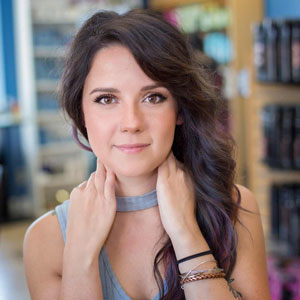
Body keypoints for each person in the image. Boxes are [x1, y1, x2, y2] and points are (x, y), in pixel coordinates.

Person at [23, 9, 271, 300]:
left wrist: (186, 234)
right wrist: (80, 257)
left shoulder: (234, 211)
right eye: (106, 99)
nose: (131, 123)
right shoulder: (46, 239)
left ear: (179, 108)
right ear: (81, 113)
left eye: (153, 97)